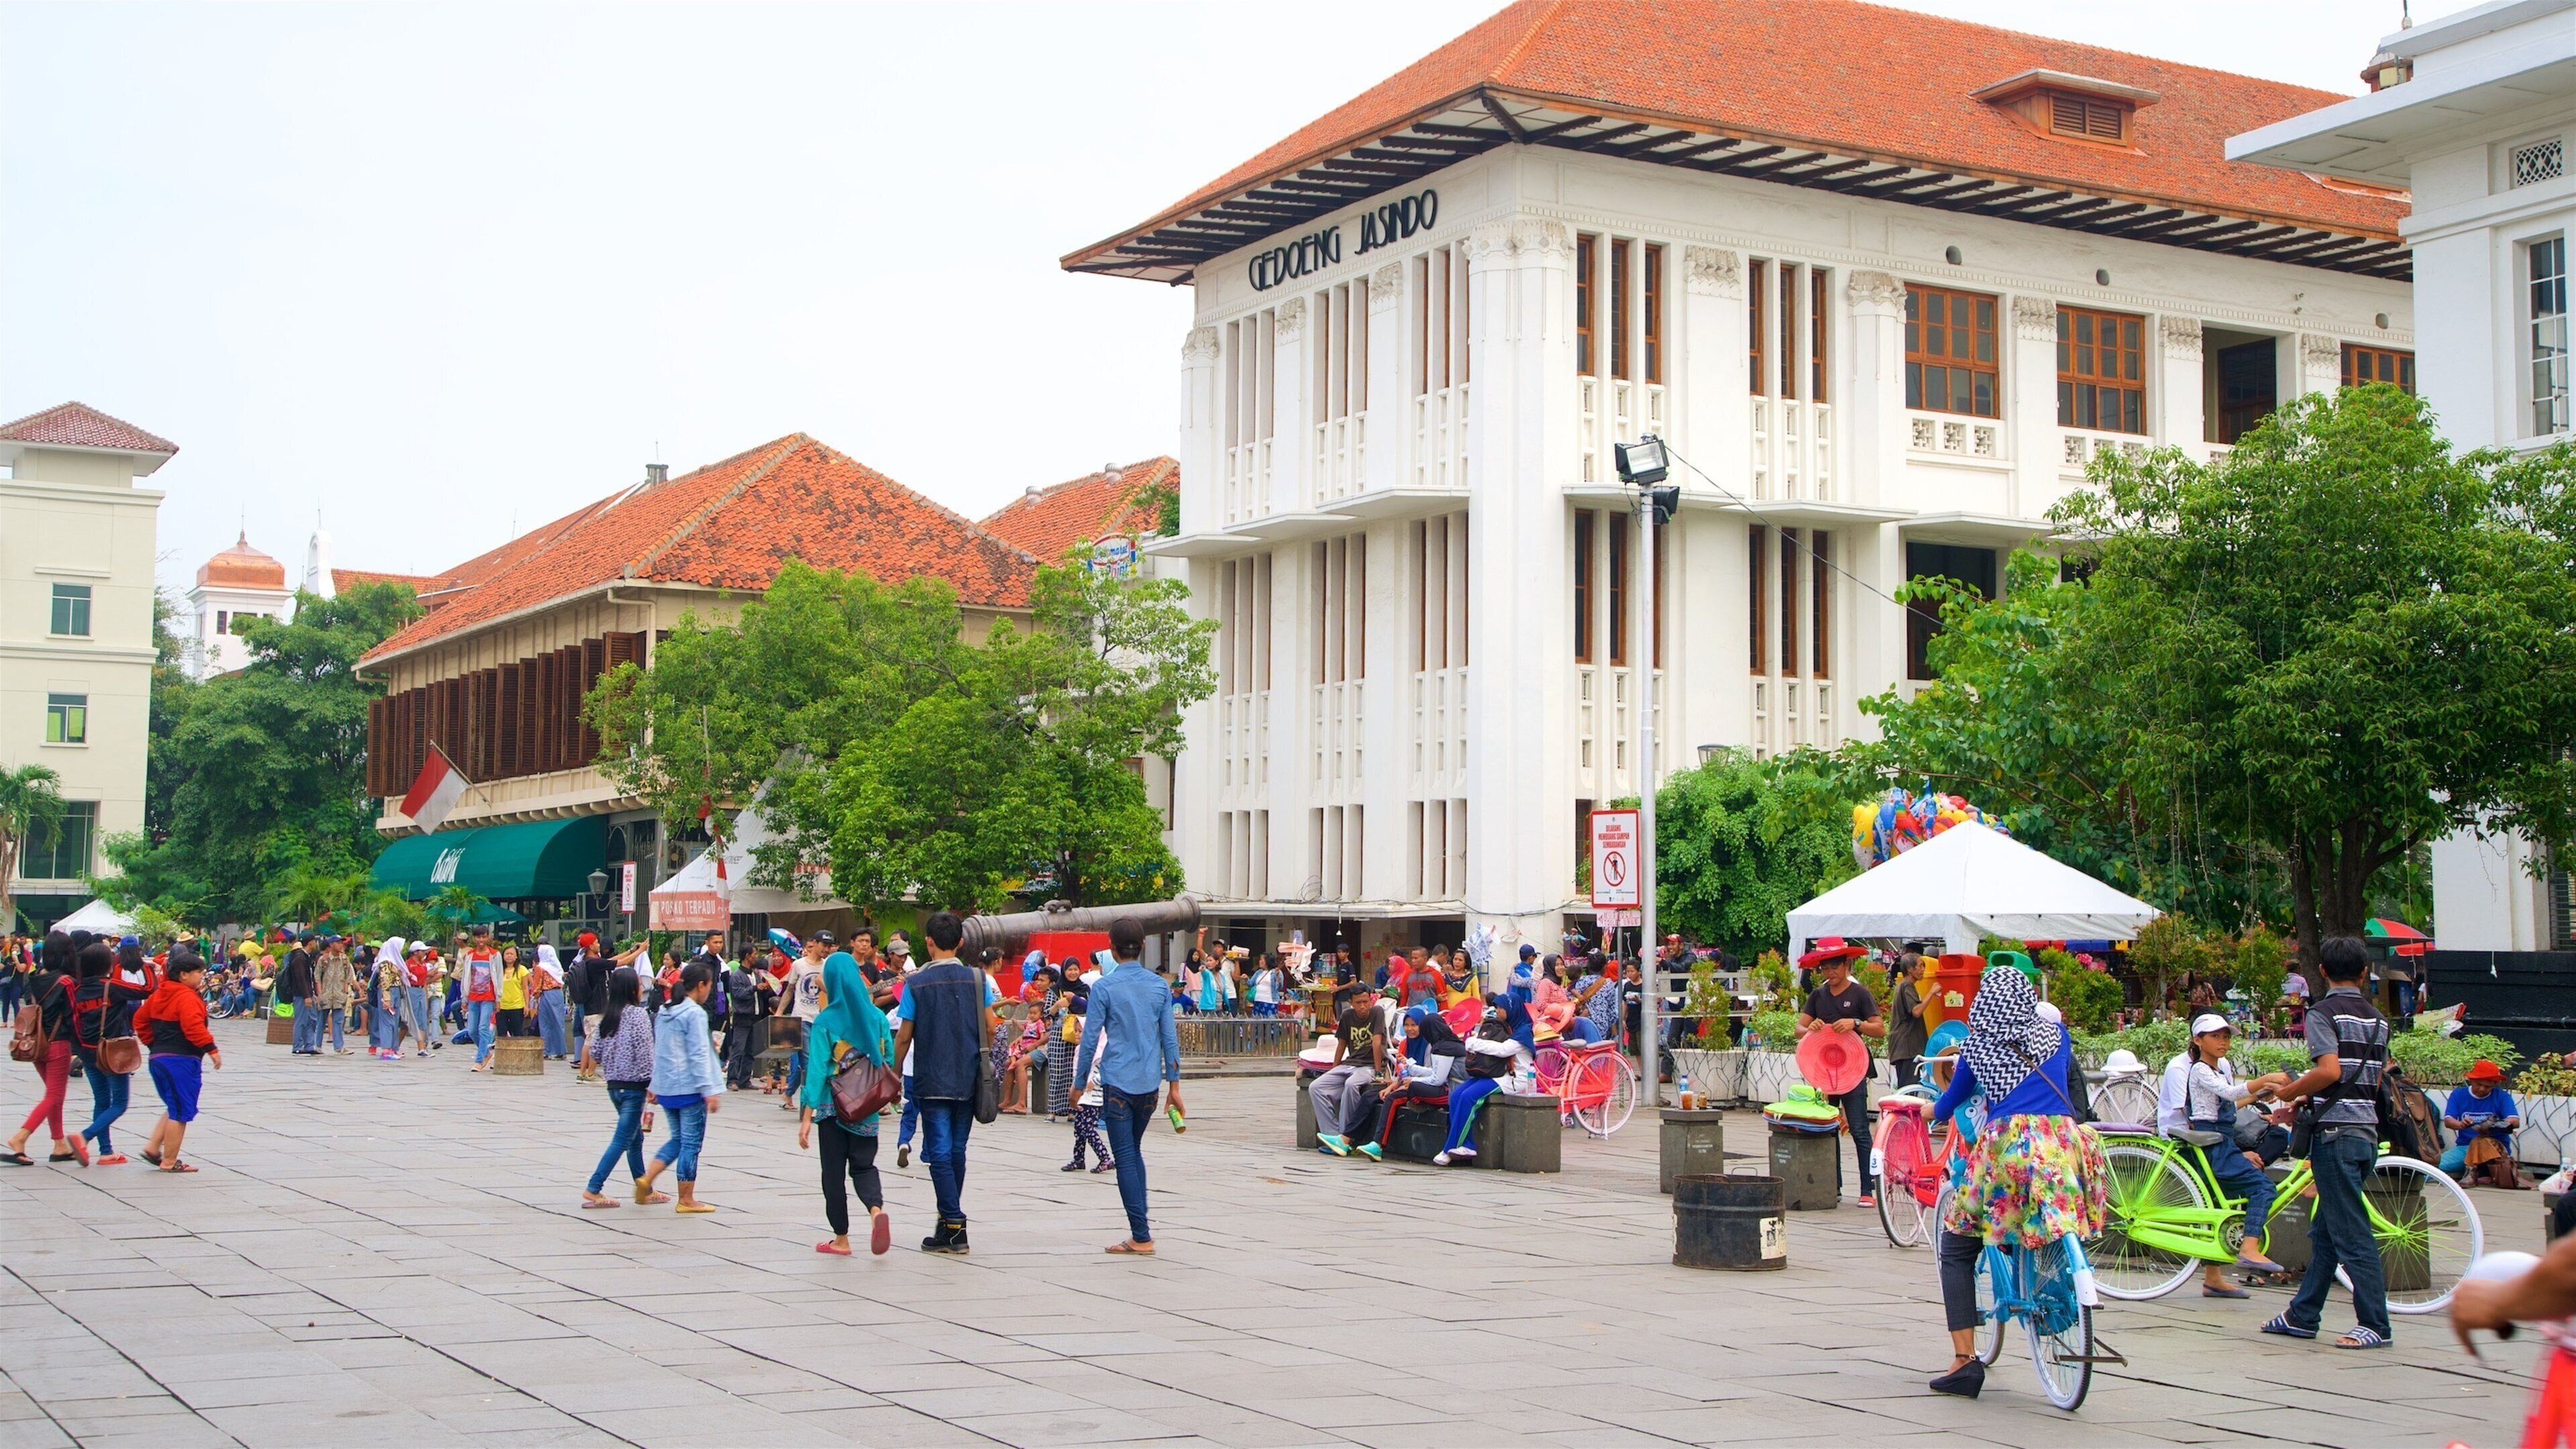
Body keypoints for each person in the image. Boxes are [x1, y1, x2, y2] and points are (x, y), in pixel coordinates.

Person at [1925, 963, 2106, 1398]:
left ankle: (1964, 1360)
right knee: (2038, 1212)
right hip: (2062, 1142)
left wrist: (1928, 1112)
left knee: (1957, 1243)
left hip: (2010, 1145)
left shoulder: (1977, 1047)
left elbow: (1950, 1103)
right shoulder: (2056, 1037)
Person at [2262, 935, 2393, 1350]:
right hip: (2365, 1134)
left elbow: (2332, 1071)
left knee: (2352, 1232)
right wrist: (2308, 1096)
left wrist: (2290, 1091)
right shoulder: (2378, 1019)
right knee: (2325, 1233)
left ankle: (2375, 1323)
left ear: (2321, 972)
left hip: (2335, 1137)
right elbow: (2361, 1079)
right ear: (2364, 972)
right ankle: (2302, 1315)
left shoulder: (2322, 1014)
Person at [1073, 918, 1185, 1253]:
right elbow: (1169, 1039)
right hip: (1149, 1086)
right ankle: (1140, 1231)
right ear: (1144, 946)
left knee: (1125, 1156)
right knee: (1133, 1152)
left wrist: (1079, 1084)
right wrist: (1174, 1087)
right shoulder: (1159, 987)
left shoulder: (1104, 988)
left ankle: (1141, 1235)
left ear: (1111, 948)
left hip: (1118, 1083)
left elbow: (1090, 1039)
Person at [889, 911, 995, 1254]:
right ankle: (946, 1225)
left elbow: (904, 1037)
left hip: (932, 1076)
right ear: (961, 942)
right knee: (957, 1150)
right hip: (968, 1075)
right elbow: (992, 1027)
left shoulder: (916, 984)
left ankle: (953, 1223)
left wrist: (894, 1073)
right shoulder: (978, 980)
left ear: (929, 943)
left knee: (939, 1151)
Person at [2172, 1014, 2293, 1296]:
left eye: (2226, 1036)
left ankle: (2213, 1279)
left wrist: (2258, 1094)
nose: (2223, 1041)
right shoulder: (2201, 1069)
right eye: (2215, 1036)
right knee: (2263, 1187)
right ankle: (2250, 1248)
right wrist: (2266, 1079)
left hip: (2220, 1138)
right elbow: (2228, 1093)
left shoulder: (2217, 1069)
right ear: (2198, 1040)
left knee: (2220, 1207)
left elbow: (2229, 1102)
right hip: (2214, 1143)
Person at [797, 949, 897, 1256]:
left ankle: (841, 1239)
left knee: (833, 1175)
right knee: (864, 1167)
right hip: (867, 1109)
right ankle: (875, 1210)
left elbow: (815, 1070)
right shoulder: (877, 1018)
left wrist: (806, 1116)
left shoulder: (826, 1021)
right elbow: (888, 1059)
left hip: (833, 1110)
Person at [1795, 937, 1884, 1206]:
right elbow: (1799, 1029)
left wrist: (1855, 1022)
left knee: (1859, 1128)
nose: (1830, 973)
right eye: (1825, 969)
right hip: (1824, 1069)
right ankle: (1832, 1184)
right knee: (1827, 1127)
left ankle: (1868, 1189)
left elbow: (1879, 1029)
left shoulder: (1859, 994)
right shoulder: (1818, 996)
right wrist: (1810, 1029)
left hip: (1853, 1069)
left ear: (1847, 965)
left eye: (1834, 967)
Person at [635, 961, 725, 1214]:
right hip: (690, 1087)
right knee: (691, 1144)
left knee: (678, 1139)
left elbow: (660, 1050)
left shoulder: (665, 1011)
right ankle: (686, 1198)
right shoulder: (694, 1013)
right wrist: (709, 1090)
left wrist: (654, 1084)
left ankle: (646, 1178)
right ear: (701, 985)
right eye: (710, 985)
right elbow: (697, 1055)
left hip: (668, 1087)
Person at [580, 968, 665, 1208]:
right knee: (621, 1140)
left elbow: (594, 1051)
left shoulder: (607, 1017)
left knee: (634, 1138)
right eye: (639, 984)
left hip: (614, 1087)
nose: (642, 988)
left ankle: (645, 1188)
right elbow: (646, 1054)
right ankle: (594, 1188)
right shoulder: (638, 1016)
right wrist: (653, 1084)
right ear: (631, 989)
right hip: (634, 1088)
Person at [133, 950, 221, 1173]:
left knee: (175, 1104)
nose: (201, 977)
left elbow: (139, 1020)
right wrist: (211, 1049)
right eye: (198, 973)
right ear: (183, 975)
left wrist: (153, 1045)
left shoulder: (159, 994)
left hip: (159, 1059)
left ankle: (153, 1148)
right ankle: (170, 1161)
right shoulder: (186, 997)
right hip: (180, 1060)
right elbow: (193, 1026)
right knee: (180, 1111)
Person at [4, 940, 78, 1167]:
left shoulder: (34, 979)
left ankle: (59, 1144)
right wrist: (82, 1046)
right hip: (58, 1043)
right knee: (55, 1095)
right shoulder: (66, 982)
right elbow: (73, 1017)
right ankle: (20, 1137)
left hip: (35, 1044)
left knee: (54, 1095)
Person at [1360, 1006, 1464, 1161]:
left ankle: (1378, 1144)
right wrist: (1411, 1070)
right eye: (1407, 1025)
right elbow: (1433, 1073)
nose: (1411, 1029)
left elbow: (1438, 1079)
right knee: (1381, 1095)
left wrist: (1413, 1080)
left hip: (1449, 1092)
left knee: (1404, 1093)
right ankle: (1367, 1141)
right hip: (1442, 1087)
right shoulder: (1443, 1044)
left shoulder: (1441, 1047)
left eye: (1416, 1026)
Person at [69, 939, 140, 1164]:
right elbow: (148, 990)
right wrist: (144, 965)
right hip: (113, 1053)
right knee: (119, 1103)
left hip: (88, 1052)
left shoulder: (78, 990)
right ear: (106, 964)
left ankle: (106, 1152)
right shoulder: (113, 988)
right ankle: (84, 1137)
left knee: (101, 1100)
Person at [1435, 1004, 1529, 1165]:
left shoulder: (1524, 1031)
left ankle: (1450, 1148)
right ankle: (1467, 1144)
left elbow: (1503, 1050)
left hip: (1512, 1080)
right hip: (1497, 1073)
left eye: (1502, 1008)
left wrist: (1473, 1043)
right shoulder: (1504, 1027)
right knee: (1457, 1095)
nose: (1498, 1011)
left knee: (1469, 1097)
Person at [1309, 983, 1385, 1157]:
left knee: (1351, 1085)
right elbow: (1342, 1043)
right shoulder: (1347, 1015)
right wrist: (1334, 1068)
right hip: (1349, 1064)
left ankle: (1346, 1137)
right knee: (1316, 1087)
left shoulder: (1377, 1012)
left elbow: (1377, 1041)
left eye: (1366, 1001)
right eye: (1358, 1003)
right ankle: (1333, 1135)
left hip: (1368, 1066)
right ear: (1351, 1002)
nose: (1363, 1006)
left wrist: (1379, 1071)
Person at [2443, 1059, 2525, 1188]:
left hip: (2495, 1149)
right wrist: (2461, 1124)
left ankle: (2472, 1171)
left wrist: (2492, 1125)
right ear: (2471, 1081)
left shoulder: (2502, 1096)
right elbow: (2448, 1121)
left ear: (2494, 1084)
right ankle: (2477, 1170)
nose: (2482, 1089)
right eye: (2479, 1084)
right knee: (2435, 1168)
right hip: (2465, 1148)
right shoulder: (2458, 1094)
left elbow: (2515, 1121)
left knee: (2480, 1140)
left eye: (2488, 1087)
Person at [777, 932, 830, 1103]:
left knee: (816, 1061)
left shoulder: (827, 966)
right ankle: (810, 1102)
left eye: (829, 946)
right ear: (814, 943)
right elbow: (789, 990)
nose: (826, 949)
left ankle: (790, 1093)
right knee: (808, 1060)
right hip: (801, 1018)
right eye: (824, 945)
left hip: (821, 1019)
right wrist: (779, 1013)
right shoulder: (799, 965)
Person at [722, 947, 765, 1091]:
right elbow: (738, 994)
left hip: (755, 1016)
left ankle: (745, 1079)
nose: (756, 957)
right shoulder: (737, 976)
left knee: (750, 1051)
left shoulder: (756, 974)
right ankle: (732, 1080)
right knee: (738, 1050)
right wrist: (754, 988)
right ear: (747, 956)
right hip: (742, 1017)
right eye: (754, 954)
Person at [458, 928, 502, 1069]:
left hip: (488, 996)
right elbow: (466, 976)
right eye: (478, 937)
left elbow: (499, 976)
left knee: (483, 1027)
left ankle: (479, 1060)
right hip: (473, 996)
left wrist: (498, 998)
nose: (481, 940)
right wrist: (464, 998)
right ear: (474, 939)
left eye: (484, 937)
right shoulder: (470, 955)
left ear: (488, 938)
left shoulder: (495, 955)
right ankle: (487, 1053)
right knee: (471, 1030)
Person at [1887, 953, 1928, 1089]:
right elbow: (1916, 1011)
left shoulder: (1904, 986)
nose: (1923, 969)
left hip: (1905, 1048)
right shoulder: (1906, 986)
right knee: (1908, 1091)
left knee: (1908, 1089)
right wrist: (1932, 993)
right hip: (1907, 1048)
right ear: (1910, 969)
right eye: (1920, 965)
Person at [531, 945, 568, 1059]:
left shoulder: (540, 968)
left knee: (545, 1024)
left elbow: (536, 987)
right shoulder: (556, 967)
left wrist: (535, 999)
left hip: (546, 995)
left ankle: (548, 1050)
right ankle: (560, 1050)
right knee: (558, 1023)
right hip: (558, 994)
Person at [496, 945, 530, 1038]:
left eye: (512, 954)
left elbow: (525, 988)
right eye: (507, 954)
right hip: (501, 1006)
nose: (509, 956)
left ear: (516, 957)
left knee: (518, 1032)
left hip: (517, 1006)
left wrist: (527, 1005)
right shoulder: (498, 969)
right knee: (502, 1033)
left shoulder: (522, 969)